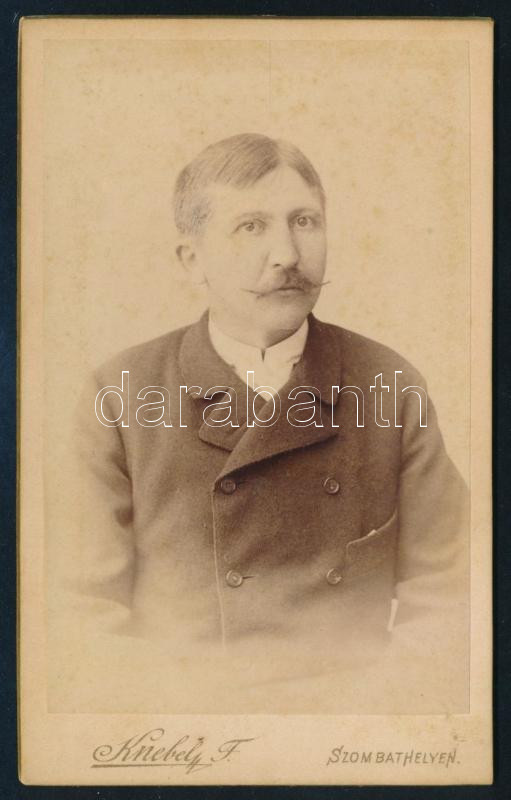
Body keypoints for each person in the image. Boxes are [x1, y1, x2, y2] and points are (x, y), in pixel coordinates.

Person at [69, 133, 468, 710]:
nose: (287, 254)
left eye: (304, 221)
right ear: (192, 259)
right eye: (251, 226)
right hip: (186, 725)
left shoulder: (389, 384)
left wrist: (372, 712)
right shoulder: (120, 393)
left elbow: (452, 597)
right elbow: (81, 617)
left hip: (352, 723)